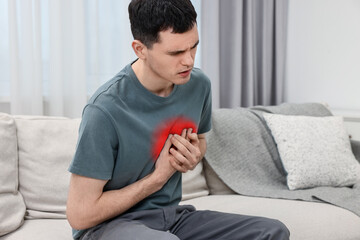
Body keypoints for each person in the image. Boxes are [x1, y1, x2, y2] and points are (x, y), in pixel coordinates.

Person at [66, 0, 290, 239]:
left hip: (171, 217)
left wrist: (194, 155)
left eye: (193, 47)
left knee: (272, 231)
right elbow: (80, 215)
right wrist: (157, 179)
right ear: (140, 49)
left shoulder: (198, 86)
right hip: (108, 227)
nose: (189, 61)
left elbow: (200, 140)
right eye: (176, 53)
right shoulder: (104, 110)